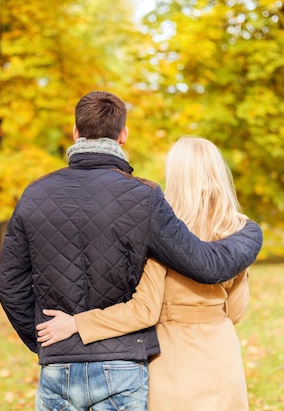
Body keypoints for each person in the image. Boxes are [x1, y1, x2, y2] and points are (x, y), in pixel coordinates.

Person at [0, 91, 262, 411]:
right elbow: (210, 273)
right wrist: (249, 234)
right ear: (124, 134)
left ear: (75, 132)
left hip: (66, 362)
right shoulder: (144, 199)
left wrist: (49, 340)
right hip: (135, 363)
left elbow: (10, 285)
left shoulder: (34, 193)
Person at [37, 136, 254, 410]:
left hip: (174, 360)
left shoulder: (164, 231)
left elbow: (144, 311)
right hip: (223, 357)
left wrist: (78, 323)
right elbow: (234, 312)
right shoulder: (236, 231)